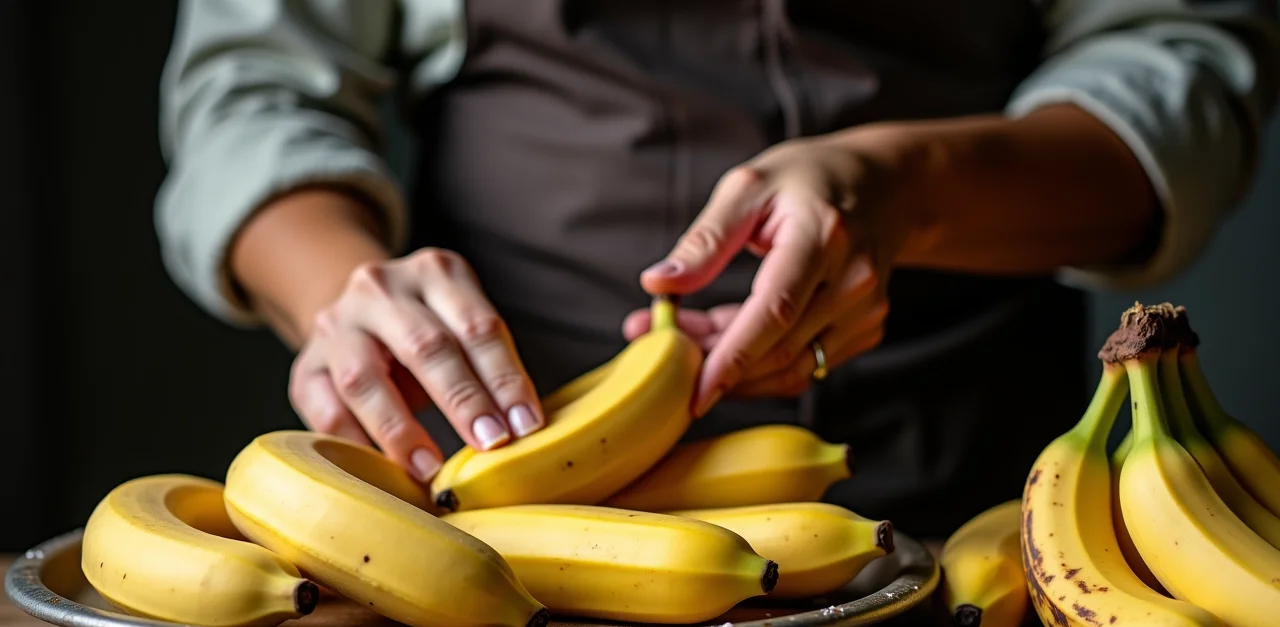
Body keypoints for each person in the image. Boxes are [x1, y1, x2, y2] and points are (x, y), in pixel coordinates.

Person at [156, 0, 1279, 536]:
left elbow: (1181, 64)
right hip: (489, 511)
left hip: (991, 500)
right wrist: (335, 286)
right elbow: (254, 86)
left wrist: (905, 186)